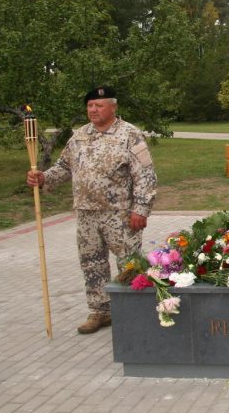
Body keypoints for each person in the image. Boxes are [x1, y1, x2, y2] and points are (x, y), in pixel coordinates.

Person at [26, 86, 157, 334]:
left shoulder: (130, 135)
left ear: (113, 107)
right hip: (86, 214)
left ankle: (133, 311)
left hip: (120, 214)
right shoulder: (79, 136)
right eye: (89, 106)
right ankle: (101, 311)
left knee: (129, 265)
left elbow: (145, 175)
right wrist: (43, 178)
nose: (93, 110)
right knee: (92, 264)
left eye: (98, 105)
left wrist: (141, 209)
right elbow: (64, 167)